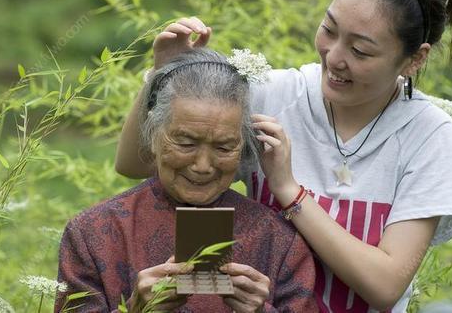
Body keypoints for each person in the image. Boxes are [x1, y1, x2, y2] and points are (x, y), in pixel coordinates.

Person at [115, 0, 452, 312]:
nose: (335, 57)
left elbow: (385, 286)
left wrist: (290, 192)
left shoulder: (429, 135)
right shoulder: (270, 94)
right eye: (329, 30)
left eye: (361, 51)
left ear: (414, 59)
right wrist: (161, 74)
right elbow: (137, 163)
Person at [55, 49, 318, 312]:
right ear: (153, 135)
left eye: (224, 147)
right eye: (186, 143)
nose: (203, 166)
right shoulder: (92, 233)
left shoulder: (278, 242)